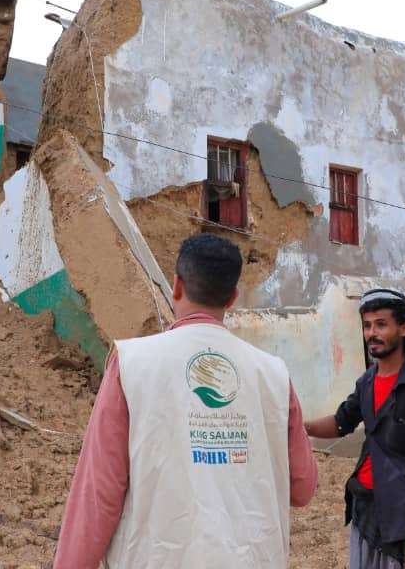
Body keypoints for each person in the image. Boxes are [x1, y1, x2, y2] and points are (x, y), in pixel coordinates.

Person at [53, 233, 318, 569]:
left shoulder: (133, 364)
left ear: (176, 286)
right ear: (232, 298)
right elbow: (303, 488)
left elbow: (98, 496)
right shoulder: (272, 373)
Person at [305, 289, 405, 569]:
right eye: (367, 325)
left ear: (404, 328)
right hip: (364, 508)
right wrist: (301, 427)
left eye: (381, 324)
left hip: (403, 518)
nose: (372, 333)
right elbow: (341, 422)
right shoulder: (367, 382)